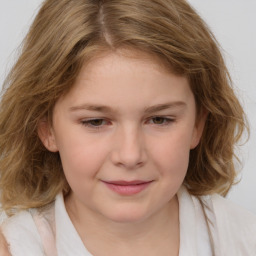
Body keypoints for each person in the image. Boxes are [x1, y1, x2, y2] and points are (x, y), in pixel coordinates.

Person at [0, 0, 255, 255]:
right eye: (96, 122)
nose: (130, 156)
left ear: (198, 124)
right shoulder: (13, 248)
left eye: (159, 120)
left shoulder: (245, 241)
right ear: (46, 128)